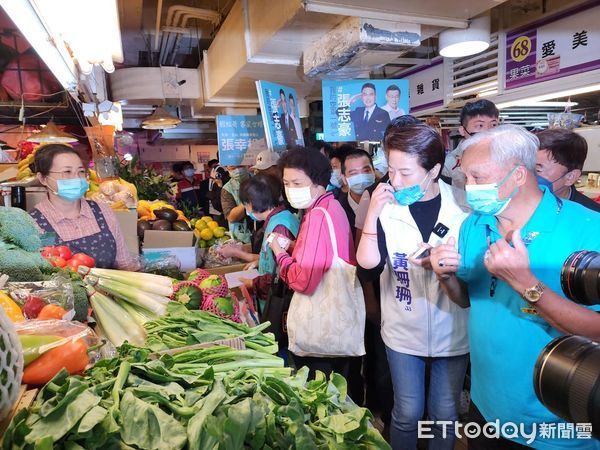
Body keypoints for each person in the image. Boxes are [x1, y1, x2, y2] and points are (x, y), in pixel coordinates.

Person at [430, 125, 600, 450]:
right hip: (485, 409)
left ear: (519, 176)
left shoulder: (588, 230)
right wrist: (446, 276)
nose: (469, 188)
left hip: (555, 423)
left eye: (478, 177)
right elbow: (467, 299)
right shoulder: (474, 224)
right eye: (465, 178)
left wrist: (526, 284)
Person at [357, 125, 470, 450]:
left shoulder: (462, 205)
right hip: (402, 330)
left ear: (433, 170)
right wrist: (373, 213)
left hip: (453, 329)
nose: (395, 181)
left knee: (445, 412)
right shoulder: (387, 205)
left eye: (406, 173)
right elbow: (367, 265)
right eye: (391, 171)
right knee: (406, 412)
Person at [269, 147, 361, 379]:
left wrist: (280, 253)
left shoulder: (318, 215)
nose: (290, 190)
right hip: (336, 325)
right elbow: (325, 254)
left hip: (320, 333)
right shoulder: (331, 206)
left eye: (297, 184)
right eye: (287, 183)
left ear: (318, 181)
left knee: (322, 390)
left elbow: (303, 280)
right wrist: (293, 246)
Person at [31, 144, 138, 270]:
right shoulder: (33, 224)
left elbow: (125, 265)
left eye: (81, 171)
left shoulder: (103, 212)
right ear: (43, 179)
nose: (76, 178)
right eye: (67, 172)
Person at [223, 174, 300, 304]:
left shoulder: (279, 227)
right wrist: (260, 262)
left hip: (278, 303)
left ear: (251, 204)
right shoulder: (280, 217)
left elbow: (283, 276)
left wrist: (252, 283)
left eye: (245, 204)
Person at [536, 128, 600, 212]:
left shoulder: (591, 218)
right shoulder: (516, 203)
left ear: (570, 177)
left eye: (538, 170)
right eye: (527, 166)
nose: (528, 175)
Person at [442, 99, 499, 189]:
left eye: (493, 125)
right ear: (463, 131)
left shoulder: (504, 157)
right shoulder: (448, 165)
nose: (488, 131)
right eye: (480, 126)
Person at [221, 165, 252, 243]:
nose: (238, 170)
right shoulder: (227, 189)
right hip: (241, 237)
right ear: (227, 168)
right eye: (233, 168)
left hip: (261, 233)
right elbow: (231, 217)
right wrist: (249, 198)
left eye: (240, 166)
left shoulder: (259, 180)